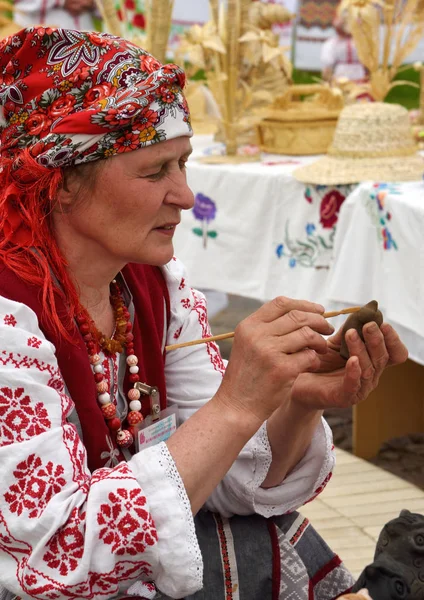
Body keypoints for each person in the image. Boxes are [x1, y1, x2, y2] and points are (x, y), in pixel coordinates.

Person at [0, 27, 408, 600]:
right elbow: (54, 555)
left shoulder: (150, 284)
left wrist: (291, 405)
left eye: (183, 164)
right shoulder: (7, 317)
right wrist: (238, 403)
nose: (186, 196)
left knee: (270, 530)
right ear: (62, 183)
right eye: (154, 172)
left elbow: (211, 479)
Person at [321, 13, 366, 83]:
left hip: (359, 78)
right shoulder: (332, 43)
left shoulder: (361, 41)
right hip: (341, 79)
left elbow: (368, 63)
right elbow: (327, 68)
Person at [13, 0, 96, 31]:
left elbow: (105, 11)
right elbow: (22, 3)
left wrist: (92, 3)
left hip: (86, 41)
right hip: (45, 44)